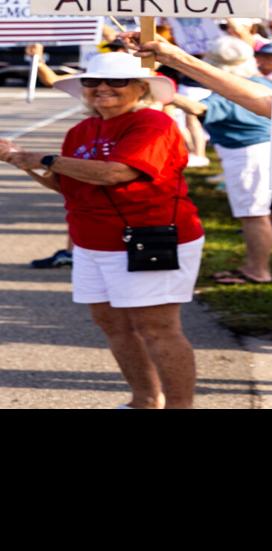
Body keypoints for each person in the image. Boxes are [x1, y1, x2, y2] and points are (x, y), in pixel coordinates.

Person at [0, 52, 205, 409]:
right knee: (112, 324)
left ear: (141, 88)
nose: (102, 88)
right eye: (92, 81)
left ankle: (179, 405)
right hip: (92, 241)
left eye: (116, 81)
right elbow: (65, 183)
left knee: (156, 327)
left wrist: (44, 159)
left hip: (149, 237)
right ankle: (144, 399)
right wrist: (22, 160)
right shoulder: (81, 130)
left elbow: (117, 172)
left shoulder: (153, 123)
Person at [166, 36, 272, 285]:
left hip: (247, 153)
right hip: (259, 150)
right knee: (255, 213)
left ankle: (258, 270)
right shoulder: (258, 81)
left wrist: (165, 94)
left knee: (253, 214)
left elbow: (198, 108)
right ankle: (254, 266)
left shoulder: (230, 92)